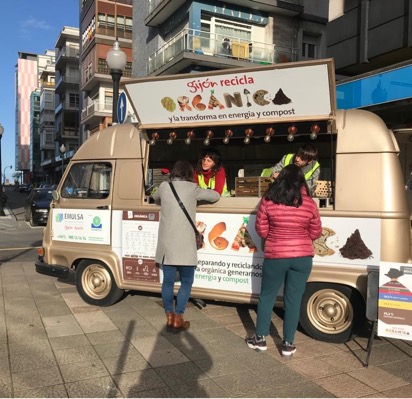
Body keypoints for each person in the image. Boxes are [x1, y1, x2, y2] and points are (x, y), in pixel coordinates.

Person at [246, 164, 322, 356]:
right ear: (301, 181)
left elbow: (261, 228)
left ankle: (260, 339)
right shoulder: (309, 203)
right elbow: (316, 232)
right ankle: (288, 344)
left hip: (276, 255)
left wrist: (274, 236)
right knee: (293, 301)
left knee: (267, 296)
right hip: (303, 257)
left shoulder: (269, 200)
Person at [152, 160, 220, 332]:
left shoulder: (164, 187)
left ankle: (169, 316)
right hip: (186, 247)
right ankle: (179, 317)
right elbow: (216, 196)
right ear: (190, 174)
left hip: (167, 247)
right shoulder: (193, 189)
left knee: (167, 282)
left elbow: (155, 198)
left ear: (174, 172)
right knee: (187, 281)